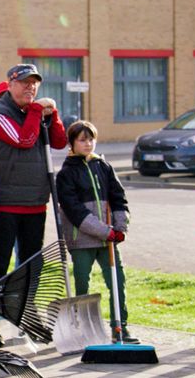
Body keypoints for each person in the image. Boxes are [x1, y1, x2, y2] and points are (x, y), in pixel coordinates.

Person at [0, 63, 66, 348]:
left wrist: (55, 116)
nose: (30, 87)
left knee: (30, 266)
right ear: (11, 83)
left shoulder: (33, 113)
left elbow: (60, 142)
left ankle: (24, 313)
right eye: (25, 82)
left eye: (35, 83)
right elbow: (23, 139)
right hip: (5, 203)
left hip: (35, 202)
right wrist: (38, 112)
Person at [55, 120, 135, 343]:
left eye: (91, 139)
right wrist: (104, 232)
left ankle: (121, 327)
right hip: (82, 239)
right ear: (72, 143)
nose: (88, 144)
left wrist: (120, 227)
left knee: (117, 280)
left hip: (108, 239)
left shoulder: (104, 166)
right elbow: (75, 211)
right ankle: (81, 328)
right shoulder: (66, 174)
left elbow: (119, 197)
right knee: (82, 283)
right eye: (82, 140)